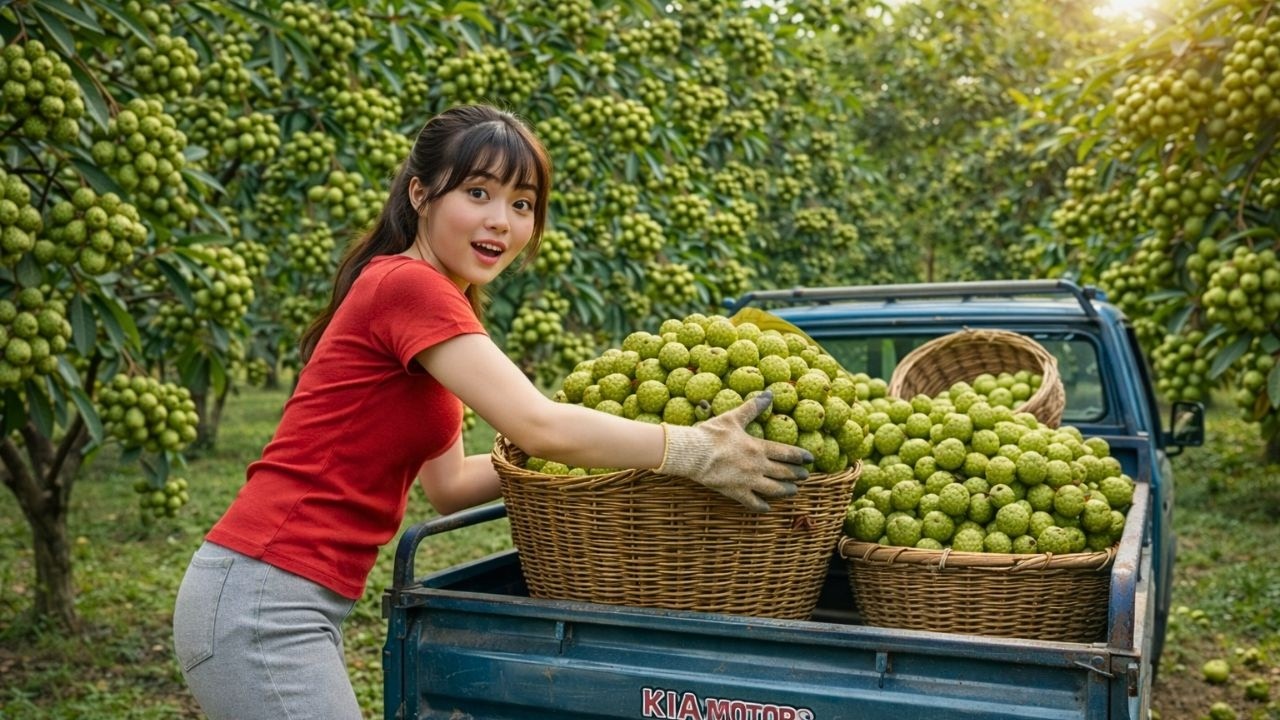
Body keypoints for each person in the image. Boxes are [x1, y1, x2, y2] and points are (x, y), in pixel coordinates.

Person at [171, 103, 811, 719]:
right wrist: (693, 450)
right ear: (421, 195)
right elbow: (537, 423)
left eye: (522, 204)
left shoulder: (434, 306)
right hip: (263, 597)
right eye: (478, 193)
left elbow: (449, 487)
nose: (502, 220)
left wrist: (607, 462)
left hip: (286, 599)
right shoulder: (409, 286)